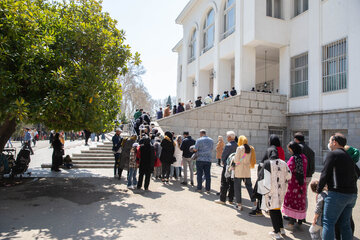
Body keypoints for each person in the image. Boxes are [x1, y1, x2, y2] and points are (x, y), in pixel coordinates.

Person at [317, 133, 359, 240]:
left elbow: (324, 174)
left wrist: (319, 189)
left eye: (330, 141)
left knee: (328, 222)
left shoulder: (333, 154)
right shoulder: (348, 157)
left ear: (334, 142)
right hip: (351, 195)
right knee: (345, 224)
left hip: (337, 194)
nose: (329, 143)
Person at [257, 153, 291, 239]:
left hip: (271, 191)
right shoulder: (284, 163)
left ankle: (276, 232)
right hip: (281, 191)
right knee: (277, 209)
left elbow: (262, 177)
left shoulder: (268, 163)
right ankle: (281, 228)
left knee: (272, 211)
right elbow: (289, 176)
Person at [283, 141, 308, 231]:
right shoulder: (304, 157)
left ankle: (291, 223)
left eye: (289, 149)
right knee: (300, 202)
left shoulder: (293, 159)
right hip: (302, 184)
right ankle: (300, 221)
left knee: (291, 203)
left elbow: (288, 170)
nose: (289, 151)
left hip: (293, 185)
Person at [233, 135, 257, 210]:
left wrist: (233, 158)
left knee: (237, 187)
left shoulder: (239, 148)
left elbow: (236, 160)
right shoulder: (250, 148)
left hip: (239, 170)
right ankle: (255, 203)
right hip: (247, 171)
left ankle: (239, 205)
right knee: (249, 187)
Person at [214, 131, 238, 205]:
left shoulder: (228, 145)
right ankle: (230, 199)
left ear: (230, 137)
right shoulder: (237, 145)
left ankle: (222, 199)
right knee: (232, 183)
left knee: (224, 182)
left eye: (227, 136)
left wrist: (223, 162)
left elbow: (224, 156)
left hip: (227, 166)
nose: (226, 138)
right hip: (234, 167)